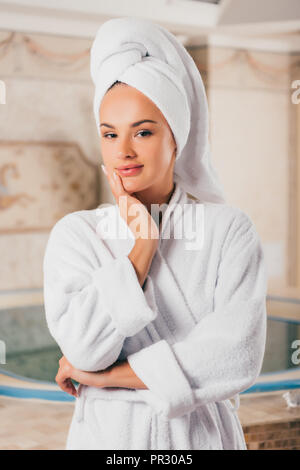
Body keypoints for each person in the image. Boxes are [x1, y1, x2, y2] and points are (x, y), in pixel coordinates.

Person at [43, 17, 268, 450]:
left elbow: (236, 356)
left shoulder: (228, 230)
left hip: (201, 440)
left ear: (176, 138)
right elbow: (85, 348)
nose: (123, 151)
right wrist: (142, 246)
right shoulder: (77, 235)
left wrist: (105, 378)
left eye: (143, 132)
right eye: (110, 134)